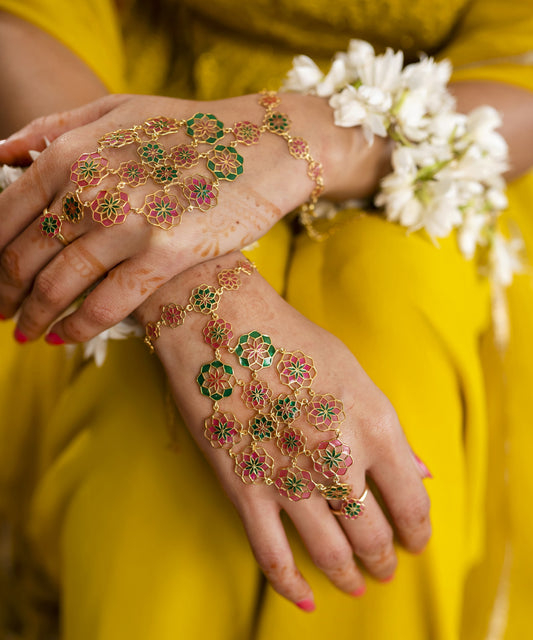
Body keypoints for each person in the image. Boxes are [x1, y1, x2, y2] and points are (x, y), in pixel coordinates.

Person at [0, 1, 532, 638]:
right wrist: (184, 273)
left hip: (427, 130)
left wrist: (297, 137)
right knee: (143, 404)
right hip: (119, 108)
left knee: (398, 337)